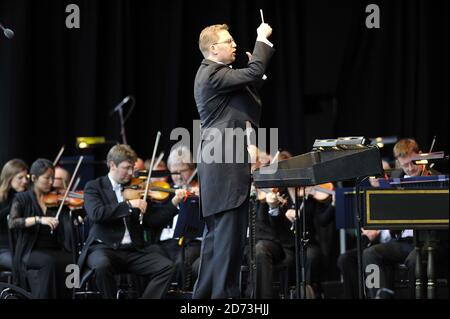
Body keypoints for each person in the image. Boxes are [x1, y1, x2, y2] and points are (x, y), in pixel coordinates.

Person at [193, 21, 274, 299]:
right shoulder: (212, 73)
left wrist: (255, 75)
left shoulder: (218, 75)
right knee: (227, 245)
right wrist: (262, 39)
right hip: (223, 164)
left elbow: (247, 97)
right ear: (214, 49)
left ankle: (203, 300)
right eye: (229, 41)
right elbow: (254, 71)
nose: (234, 44)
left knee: (218, 244)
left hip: (221, 164)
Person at [77, 144, 178, 299]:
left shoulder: (136, 187)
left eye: (132, 168)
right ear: (112, 165)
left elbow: (153, 220)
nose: (131, 173)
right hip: (103, 247)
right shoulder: (94, 187)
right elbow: (97, 214)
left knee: (167, 267)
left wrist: (173, 203)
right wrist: (128, 205)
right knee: (102, 265)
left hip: (132, 250)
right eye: (126, 168)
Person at [362, 138, 439, 298]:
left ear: (419, 155)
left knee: (414, 260)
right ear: (398, 162)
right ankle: (378, 295)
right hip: (403, 241)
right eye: (405, 165)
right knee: (369, 253)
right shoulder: (395, 178)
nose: (410, 169)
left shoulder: (434, 176)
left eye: (413, 163)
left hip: (427, 242)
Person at [8, 158, 74, 298]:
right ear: (34, 178)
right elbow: (13, 223)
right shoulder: (22, 198)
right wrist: (38, 220)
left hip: (54, 248)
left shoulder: (56, 199)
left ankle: (71, 295)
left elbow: (68, 220)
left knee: (72, 262)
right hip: (30, 250)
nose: (51, 182)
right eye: (47, 178)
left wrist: (75, 215)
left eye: (52, 177)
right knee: (48, 262)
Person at [156, 146, 201, 291]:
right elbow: (157, 219)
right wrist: (174, 201)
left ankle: (184, 295)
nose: (178, 176)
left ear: (192, 168)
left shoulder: (199, 190)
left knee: (184, 259)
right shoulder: (164, 192)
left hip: (192, 242)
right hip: (166, 243)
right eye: (174, 172)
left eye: (183, 171)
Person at [0, 159, 29, 270]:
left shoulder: (23, 197)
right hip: (3, 249)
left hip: (20, 247)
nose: (25, 181)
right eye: (20, 178)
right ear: (9, 178)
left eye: (26, 177)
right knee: (21, 266)